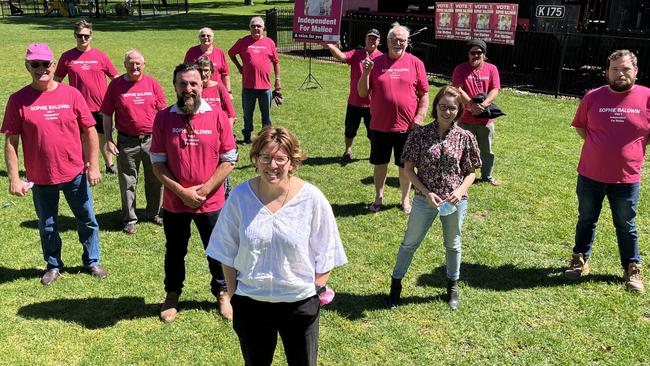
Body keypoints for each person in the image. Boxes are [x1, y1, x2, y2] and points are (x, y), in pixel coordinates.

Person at [206, 127, 347, 366]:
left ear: (292, 162)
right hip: (251, 302)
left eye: (281, 158)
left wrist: (315, 292)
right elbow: (225, 250)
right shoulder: (240, 197)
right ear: (256, 160)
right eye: (265, 157)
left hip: (300, 303)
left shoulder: (311, 198)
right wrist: (234, 296)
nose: (272, 165)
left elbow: (328, 249)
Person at [2, 43, 107, 285]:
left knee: (87, 218)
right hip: (41, 176)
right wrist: (14, 178)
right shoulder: (18, 100)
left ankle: (92, 261)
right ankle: (53, 264)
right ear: (27, 66)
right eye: (35, 64)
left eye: (45, 64)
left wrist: (93, 165)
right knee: (47, 224)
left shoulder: (71, 94)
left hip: (75, 172)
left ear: (53, 64)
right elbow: (11, 140)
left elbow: (90, 130)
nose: (41, 69)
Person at [150, 63, 237, 322]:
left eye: (193, 84)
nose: (188, 89)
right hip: (176, 203)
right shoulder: (164, 118)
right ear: (175, 86)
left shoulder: (218, 116)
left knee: (217, 249)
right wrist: (181, 192)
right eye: (182, 84)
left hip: (210, 203)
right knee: (175, 249)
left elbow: (229, 158)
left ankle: (223, 293)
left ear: (202, 85)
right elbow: (157, 163)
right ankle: (172, 294)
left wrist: (205, 189)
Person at [388, 86, 480, 310]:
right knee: (409, 243)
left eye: (452, 108)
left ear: (458, 110)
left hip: (454, 201)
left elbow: (471, 172)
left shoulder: (465, 137)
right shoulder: (419, 135)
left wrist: (459, 192)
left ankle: (452, 287)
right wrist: (426, 192)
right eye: (443, 107)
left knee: (453, 244)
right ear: (435, 107)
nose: (447, 112)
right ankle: (395, 286)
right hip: (424, 198)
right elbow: (408, 169)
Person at [565, 49, 649, 293]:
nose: (620, 73)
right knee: (586, 219)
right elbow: (582, 128)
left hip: (626, 178)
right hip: (590, 174)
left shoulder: (647, 97)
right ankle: (579, 260)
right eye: (615, 69)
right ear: (606, 72)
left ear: (635, 71)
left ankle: (632, 267)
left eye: (625, 69)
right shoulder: (593, 97)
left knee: (626, 224)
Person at [358, 22, 430, 214]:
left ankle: (405, 199)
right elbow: (362, 92)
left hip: (407, 127)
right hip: (380, 126)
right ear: (387, 42)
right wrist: (365, 72)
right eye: (394, 39)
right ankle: (378, 197)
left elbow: (424, 94)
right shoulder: (376, 63)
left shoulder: (416, 63)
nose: (398, 43)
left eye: (402, 40)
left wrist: (420, 116)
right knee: (380, 164)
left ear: (407, 42)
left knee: (405, 166)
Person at [101, 49, 166, 235]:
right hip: (126, 142)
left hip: (152, 140)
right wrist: (108, 139)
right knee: (128, 181)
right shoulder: (115, 85)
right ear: (125, 65)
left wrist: (165, 139)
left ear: (144, 65)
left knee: (155, 179)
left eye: (138, 63)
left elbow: (163, 113)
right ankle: (130, 219)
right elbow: (106, 113)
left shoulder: (152, 83)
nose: (135, 66)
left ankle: (153, 213)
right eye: (131, 63)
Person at [54, 20, 120, 174]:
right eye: (79, 36)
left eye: (86, 36)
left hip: (102, 106)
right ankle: (88, 165)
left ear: (91, 36)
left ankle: (110, 165)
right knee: (83, 138)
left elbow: (115, 79)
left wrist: (118, 99)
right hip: (79, 107)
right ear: (74, 36)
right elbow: (56, 81)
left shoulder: (101, 56)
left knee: (103, 136)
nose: (82, 39)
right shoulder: (67, 57)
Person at [324, 29, 381, 165]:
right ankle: (348, 151)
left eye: (375, 39)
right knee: (350, 130)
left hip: (372, 104)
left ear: (379, 42)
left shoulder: (381, 58)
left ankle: (375, 152)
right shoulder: (357, 54)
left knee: (373, 132)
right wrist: (330, 46)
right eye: (370, 38)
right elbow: (342, 57)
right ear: (365, 39)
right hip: (354, 102)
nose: (372, 41)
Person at [452, 39, 501, 186]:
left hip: (485, 119)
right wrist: (471, 105)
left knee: (487, 150)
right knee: (461, 149)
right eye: (473, 53)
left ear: (484, 54)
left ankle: (487, 175)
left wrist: (484, 105)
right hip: (466, 118)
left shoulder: (492, 69)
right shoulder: (460, 69)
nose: (476, 56)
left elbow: (495, 89)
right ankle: (460, 174)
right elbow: (458, 89)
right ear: (468, 54)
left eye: (479, 53)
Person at [228, 16, 281, 144]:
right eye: (253, 26)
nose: (256, 28)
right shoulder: (243, 41)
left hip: (265, 87)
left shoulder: (270, 42)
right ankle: (247, 136)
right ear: (250, 28)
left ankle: (266, 137)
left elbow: (276, 62)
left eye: (259, 26)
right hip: (248, 86)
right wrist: (240, 67)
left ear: (263, 28)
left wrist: (277, 79)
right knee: (248, 114)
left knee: (266, 115)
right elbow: (231, 53)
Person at [183, 27, 232, 94]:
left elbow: (225, 74)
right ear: (199, 37)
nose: (206, 37)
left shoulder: (219, 52)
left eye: (208, 36)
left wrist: (228, 92)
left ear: (213, 37)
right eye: (203, 36)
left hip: (216, 91)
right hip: (198, 91)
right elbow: (186, 72)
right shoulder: (192, 52)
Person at [195, 56, 236, 129]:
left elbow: (231, 114)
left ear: (212, 71)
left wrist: (226, 133)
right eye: (200, 70)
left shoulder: (219, 87)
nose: (203, 74)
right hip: (199, 130)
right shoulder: (192, 89)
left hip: (218, 130)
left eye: (206, 70)